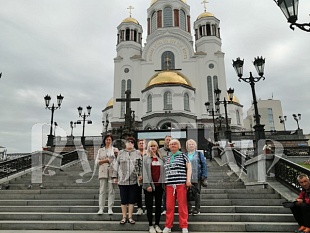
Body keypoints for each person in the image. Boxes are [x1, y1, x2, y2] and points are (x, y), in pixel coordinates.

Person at [163, 139, 192, 233]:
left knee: (182, 206)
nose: (173, 145)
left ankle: (184, 226)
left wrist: (188, 180)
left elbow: (189, 167)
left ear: (179, 146)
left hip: (180, 184)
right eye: (171, 144)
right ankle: (168, 226)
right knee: (169, 206)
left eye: (175, 144)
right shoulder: (167, 157)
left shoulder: (183, 155)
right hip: (169, 185)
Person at [113, 136, 142, 225]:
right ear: (125, 143)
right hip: (123, 180)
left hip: (133, 180)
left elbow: (140, 165)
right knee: (124, 199)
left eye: (132, 142)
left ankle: (130, 217)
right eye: (128, 142)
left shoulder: (137, 153)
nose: (130, 143)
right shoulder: (121, 153)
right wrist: (115, 177)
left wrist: (141, 175)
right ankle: (124, 217)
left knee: (131, 199)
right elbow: (116, 165)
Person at [143, 140, 165, 233]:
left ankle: (157, 224)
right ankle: (150, 225)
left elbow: (163, 171)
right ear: (148, 147)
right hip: (149, 186)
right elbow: (144, 172)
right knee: (149, 206)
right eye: (151, 146)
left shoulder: (160, 159)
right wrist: (147, 184)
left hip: (159, 185)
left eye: (154, 146)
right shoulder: (145, 158)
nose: (153, 148)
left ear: (157, 147)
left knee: (158, 206)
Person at [95, 134, 118, 215]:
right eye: (107, 139)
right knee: (102, 190)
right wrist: (105, 160)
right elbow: (97, 162)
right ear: (104, 141)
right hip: (103, 171)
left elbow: (117, 162)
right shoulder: (100, 150)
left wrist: (116, 155)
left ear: (112, 141)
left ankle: (110, 208)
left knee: (111, 190)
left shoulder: (115, 150)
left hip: (112, 171)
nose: (108, 141)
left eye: (110, 140)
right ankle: (101, 208)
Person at [185, 139, 207, 215]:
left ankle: (197, 209)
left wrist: (204, 175)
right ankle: (189, 208)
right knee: (187, 193)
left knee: (197, 193)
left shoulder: (199, 154)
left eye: (192, 144)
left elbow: (204, 165)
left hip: (197, 176)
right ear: (187, 146)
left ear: (195, 146)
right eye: (189, 144)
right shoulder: (185, 154)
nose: (191, 145)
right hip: (187, 177)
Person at [159, 135, 171, 215]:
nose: (168, 141)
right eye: (167, 140)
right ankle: (164, 208)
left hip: (173, 175)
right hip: (163, 174)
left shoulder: (175, 150)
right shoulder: (160, 151)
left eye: (170, 140)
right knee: (164, 193)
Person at [136, 139, 147, 215]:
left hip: (147, 176)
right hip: (137, 176)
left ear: (145, 144)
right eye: (140, 143)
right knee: (138, 193)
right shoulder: (135, 153)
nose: (141, 144)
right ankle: (139, 208)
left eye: (143, 143)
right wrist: (138, 175)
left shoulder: (148, 153)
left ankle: (147, 208)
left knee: (147, 193)